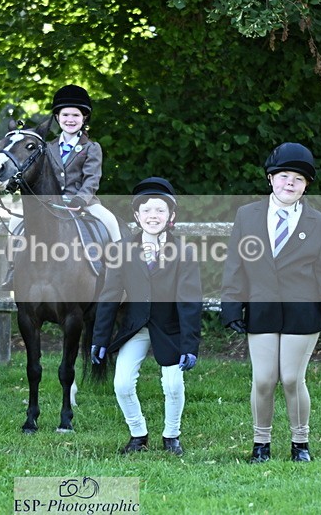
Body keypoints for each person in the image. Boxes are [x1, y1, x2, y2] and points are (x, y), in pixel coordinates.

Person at [220, 143, 321, 463]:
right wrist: (231, 306)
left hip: (302, 312)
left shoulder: (320, 224)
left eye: (298, 178)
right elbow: (235, 264)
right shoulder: (247, 216)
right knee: (264, 378)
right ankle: (260, 444)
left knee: (293, 378)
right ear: (270, 178)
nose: (290, 183)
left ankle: (300, 443)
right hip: (262, 308)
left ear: (307, 184)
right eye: (283, 175)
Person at [91, 177, 202, 456]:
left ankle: (171, 435)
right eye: (148, 211)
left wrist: (190, 344)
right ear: (137, 216)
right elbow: (110, 296)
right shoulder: (121, 250)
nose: (154, 216)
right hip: (136, 326)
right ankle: (138, 433)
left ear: (171, 216)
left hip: (170, 327)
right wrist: (100, 339)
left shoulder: (184, 251)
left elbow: (189, 302)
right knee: (122, 382)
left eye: (160, 210)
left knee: (173, 384)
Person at [0, 84, 121, 289]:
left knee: (110, 222)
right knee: (14, 223)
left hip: (83, 202)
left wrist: (80, 200)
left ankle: (116, 271)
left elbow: (92, 179)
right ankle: (13, 270)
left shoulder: (92, 148)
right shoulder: (46, 148)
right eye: (65, 115)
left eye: (75, 115)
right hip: (49, 204)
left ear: (84, 118)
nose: (70, 119)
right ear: (57, 117)